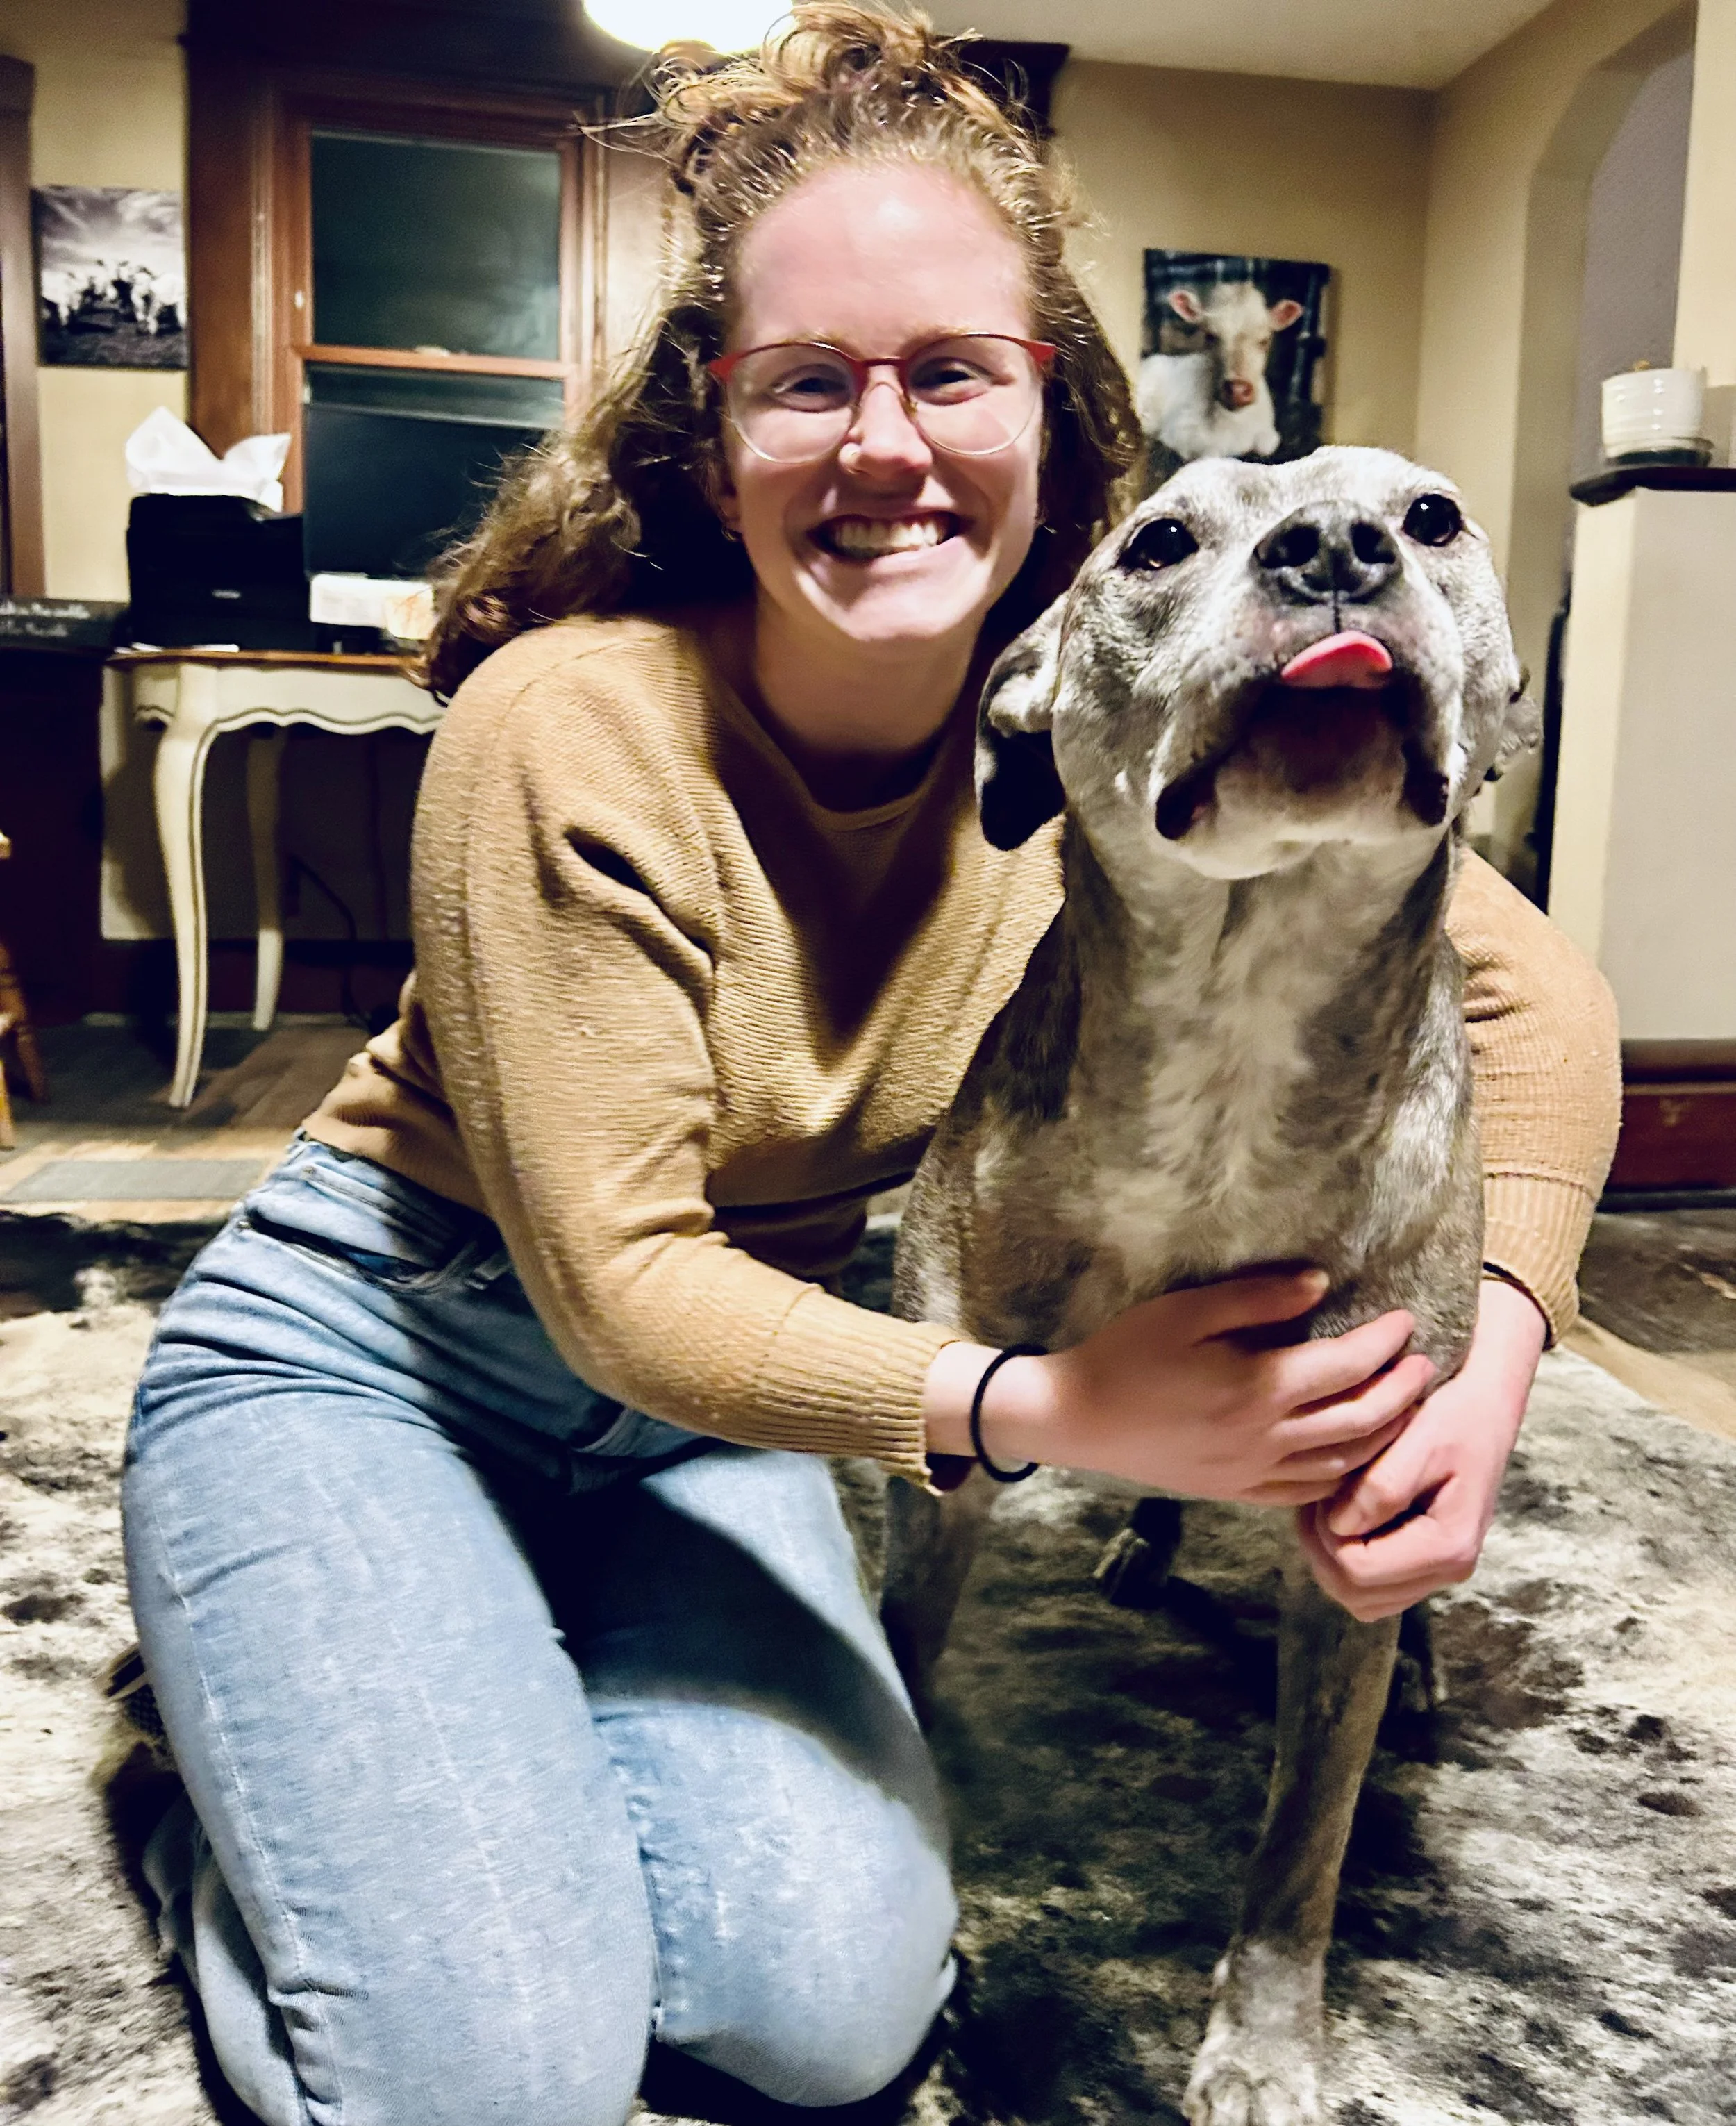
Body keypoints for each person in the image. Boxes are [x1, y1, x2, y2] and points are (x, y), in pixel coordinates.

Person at [122, 11, 1621, 2125]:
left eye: (951, 372)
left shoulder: (1096, 763)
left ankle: (424, 1718)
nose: (884, 440)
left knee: (817, 2017)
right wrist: (1046, 1408)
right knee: (480, 2078)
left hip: (703, 1427)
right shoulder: (569, 724)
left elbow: (1536, 999)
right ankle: (233, 1774)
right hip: (380, 1353)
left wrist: (1490, 1365)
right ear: (709, 435)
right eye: (807, 382)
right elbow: (621, 1282)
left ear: (1049, 425)